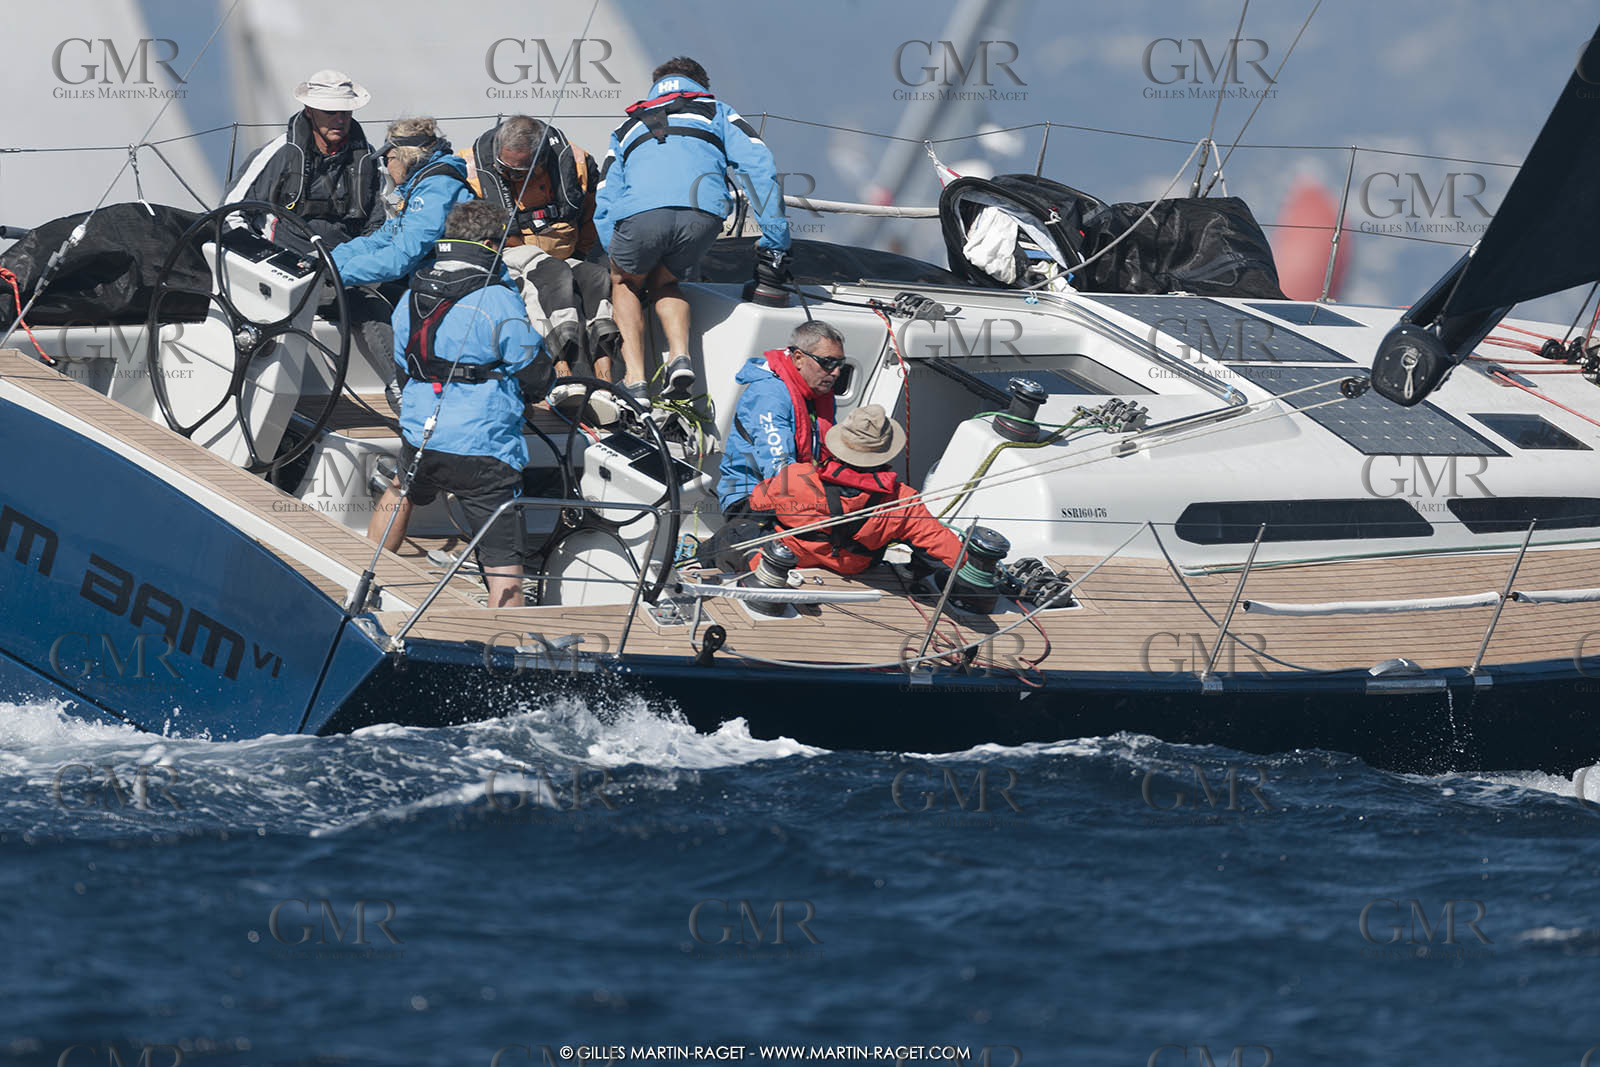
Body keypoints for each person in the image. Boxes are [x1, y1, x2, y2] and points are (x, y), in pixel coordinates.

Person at [366, 200, 553, 608]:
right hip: (482, 447)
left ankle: (364, 576)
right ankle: (507, 639)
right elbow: (534, 371)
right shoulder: (498, 298)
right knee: (502, 554)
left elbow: (402, 362)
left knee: (402, 488)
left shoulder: (412, 293)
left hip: (422, 434)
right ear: (488, 243)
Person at [594, 56, 791, 404]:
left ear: (656, 87)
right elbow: (759, 165)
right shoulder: (716, 111)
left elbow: (606, 191)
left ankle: (636, 382)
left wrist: (615, 253)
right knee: (666, 281)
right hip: (703, 214)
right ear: (702, 85)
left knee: (625, 282)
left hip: (640, 215)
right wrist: (775, 241)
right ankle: (680, 358)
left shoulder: (628, 127)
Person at [463, 115, 621, 390]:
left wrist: (583, 252)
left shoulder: (577, 161)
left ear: (542, 161)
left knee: (596, 277)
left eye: (520, 173)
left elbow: (591, 217)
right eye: (504, 168)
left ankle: (605, 381)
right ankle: (562, 378)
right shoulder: (468, 169)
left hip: (563, 254)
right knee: (553, 273)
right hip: (507, 260)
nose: (509, 177)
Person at [749, 405, 962, 576]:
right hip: (852, 572)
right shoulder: (903, 501)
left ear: (839, 444)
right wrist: (918, 570)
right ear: (886, 453)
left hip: (786, 567)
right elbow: (953, 556)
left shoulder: (794, 476)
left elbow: (753, 505)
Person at [225, 69, 384, 249]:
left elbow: (377, 224)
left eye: (345, 112)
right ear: (309, 111)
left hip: (343, 264)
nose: (340, 120)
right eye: (330, 112)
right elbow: (230, 214)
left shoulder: (367, 158)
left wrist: (359, 259)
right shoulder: (279, 152)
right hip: (283, 260)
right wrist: (259, 258)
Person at [716, 320, 845, 518]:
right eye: (828, 363)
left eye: (840, 364)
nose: (836, 372)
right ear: (799, 358)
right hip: (750, 497)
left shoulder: (819, 393)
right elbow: (779, 467)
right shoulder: (768, 396)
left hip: (802, 489)